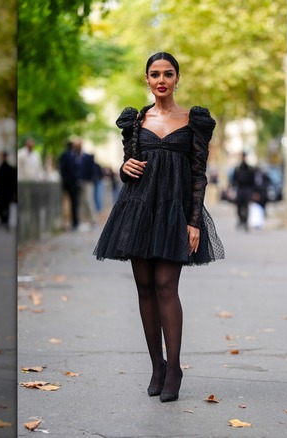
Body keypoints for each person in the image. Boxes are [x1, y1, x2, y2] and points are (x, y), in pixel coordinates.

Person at [93, 52, 225, 402]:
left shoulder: (194, 120)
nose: (161, 79)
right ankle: (156, 364)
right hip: (137, 209)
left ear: (177, 78)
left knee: (167, 286)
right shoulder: (134, 121)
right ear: (147, 80)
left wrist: (194, 221)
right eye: (155, 74)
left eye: (168, 73)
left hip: (175, 212)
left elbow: (198, 174)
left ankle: (175, 368)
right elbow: (127, 164)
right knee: (145, 288)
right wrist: (125, 169)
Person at [0, 151, 17, 230]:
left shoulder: (9, 168)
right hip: (1, 191)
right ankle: (3, 220)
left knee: (6, 207)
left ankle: (5, 221)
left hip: (7, 191)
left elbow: (13, 181)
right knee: (1, 206)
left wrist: (14, 191)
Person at [231, 152, 256, 231]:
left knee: (246, 206)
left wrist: (253, 191)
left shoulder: (250, 169)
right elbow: (233, 180)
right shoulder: (237, 168)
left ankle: (245, 222)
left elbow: (253, 181)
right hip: (240, 188)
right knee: (238, 206)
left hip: (247, 189)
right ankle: (241, 219)